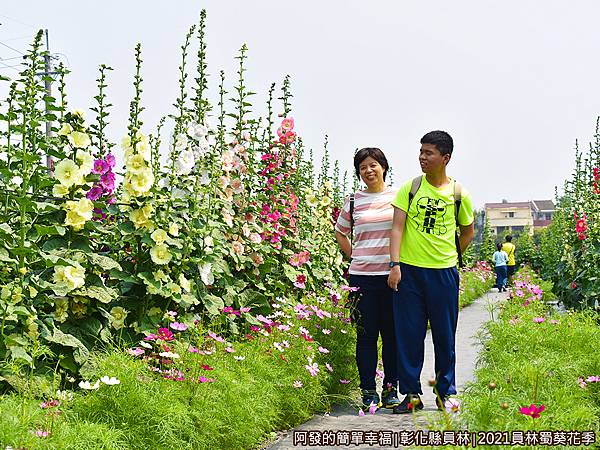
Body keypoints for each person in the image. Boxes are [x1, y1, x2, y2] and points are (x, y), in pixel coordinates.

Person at [387, 130, 474, 413]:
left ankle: (445, 393)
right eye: (421, 152)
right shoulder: (410, 188)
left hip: (444, 274)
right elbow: (397, 227)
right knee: (409, 335)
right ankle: (411, 394)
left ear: (445, 158)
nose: (422, 157)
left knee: (444, 336)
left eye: (429, 153)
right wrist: (395, 264)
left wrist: (449, 255)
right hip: (409, 273)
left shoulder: (459, 194)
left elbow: (468, 232)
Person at [335, 147, 401, 411]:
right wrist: (355, 256)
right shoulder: (353, 200)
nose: (368, 170)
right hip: (362, 277)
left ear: (383, 167)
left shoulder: (398, 197)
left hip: (392, 277)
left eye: (373, 165)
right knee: (365, 337)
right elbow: (341, 232)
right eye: (363, 167)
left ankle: (390, 389)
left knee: (392, 336)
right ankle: (368, 392)